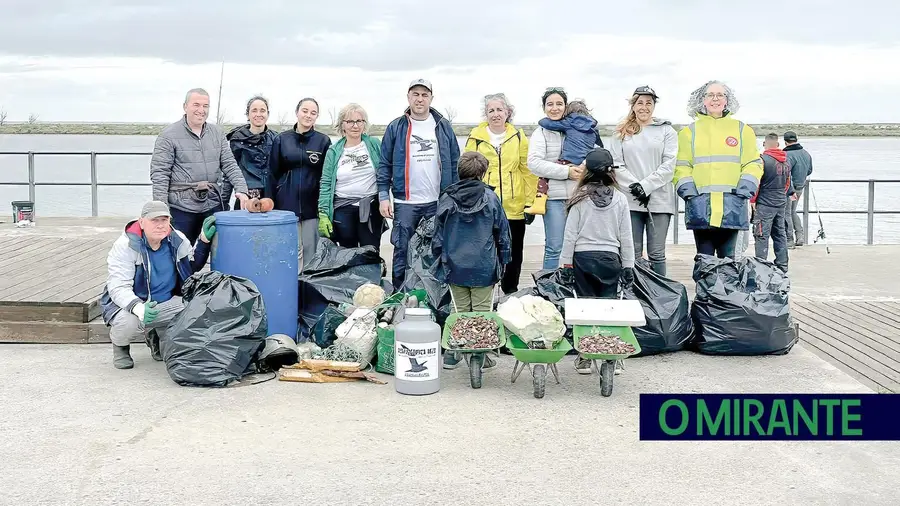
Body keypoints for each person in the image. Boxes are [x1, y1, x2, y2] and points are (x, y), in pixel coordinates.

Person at [99, 201, 216, 369]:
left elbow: (191, 266)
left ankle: (156, 336)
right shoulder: (125, 246)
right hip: (133, 306)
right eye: (154, 220)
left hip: (166, 302)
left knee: (196, 308)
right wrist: (139, 308)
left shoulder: (178, 239)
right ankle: (121, 347)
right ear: (141, 222)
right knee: (128, 323)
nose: (160, 225)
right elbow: (118, 287)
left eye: (164, 220)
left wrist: (203, 240)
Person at [377, 79, 460, 290]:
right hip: (405, 202)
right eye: (415, 94)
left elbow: (455, 162)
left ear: (431, 98)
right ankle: (399, 294)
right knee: (402, 250)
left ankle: (432, 296)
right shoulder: (396, 127)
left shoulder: (443, 126)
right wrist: (383, 196)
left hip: (436, 201)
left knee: (435, 250)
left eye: (424, 94)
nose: (420, 99)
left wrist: (453, 198)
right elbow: (384, 164)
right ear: (408, 97)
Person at [433, 151, 511, 370]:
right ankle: (479, 355)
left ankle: (453, 353)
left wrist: (439, 258)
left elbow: (437, 235)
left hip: (455, 264)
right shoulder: (491, 198)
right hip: (484, 265)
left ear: (459, 171)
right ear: (483, 173)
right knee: (482, 313)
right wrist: (504, 259)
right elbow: (503, 233)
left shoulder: (447, 198)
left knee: (459, 310)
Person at [559, 148, 634, 374]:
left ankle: (584, 356)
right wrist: (629, 264)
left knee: (585, 306)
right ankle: (612, 354)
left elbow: (570, 234)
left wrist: (565, 264)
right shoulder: (620, 199)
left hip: (583, 257)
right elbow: (626, 236)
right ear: (611, 172)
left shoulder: (579, 197)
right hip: (610, 258)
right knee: (609, 307)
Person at [673, 80, 763, 258]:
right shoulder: (688, 133)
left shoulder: (742, 130)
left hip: (732, 204)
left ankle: (727, 287)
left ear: (727, 100)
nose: (715, 99)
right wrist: (689, 193)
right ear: (702, 100)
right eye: (710, 95)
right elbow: (681, 166)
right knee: (704, 257)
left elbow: (753, 163)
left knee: (728, 259)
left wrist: (744, 189)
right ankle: (705, 287)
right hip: (700, 205)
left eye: (720, 95)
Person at [150, 88, 250, 245]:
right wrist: (161, 211)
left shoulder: (217, 133)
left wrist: (241, 190)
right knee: (179, 254)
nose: (201, 110)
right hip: (181, 207)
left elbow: (230, 164)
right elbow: (160, 174)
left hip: (212, 203)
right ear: (185, 106)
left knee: (221, 249)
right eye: (196, 105)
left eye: (205, 106)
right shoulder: (168, 136)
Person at [463, 93, 537, 294]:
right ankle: (484, 293)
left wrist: (530, 203)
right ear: (485, 114)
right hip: (484, 207)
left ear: (508, 112)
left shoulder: (519, 136)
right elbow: (468, 173)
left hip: (514, 207)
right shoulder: (475, 138)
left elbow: (527, 170)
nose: (495, 114)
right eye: (491, 110)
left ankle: (510, 292)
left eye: (499, 110)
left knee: (514, 253)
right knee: (484, 252)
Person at [609, 86, 677, 276]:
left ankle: (661, 296)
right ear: (633, 105)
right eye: (640, 103)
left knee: (657, 253)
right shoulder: (621, 132)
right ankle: (636, 293)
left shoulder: (667, 131)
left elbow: (668, 165)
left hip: (659, 200)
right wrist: (635, 188)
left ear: (654, 105)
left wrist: (646, 187)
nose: (644, 107)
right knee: (633, 252)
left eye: (649, 103)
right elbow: (616, 164)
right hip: (630, 201)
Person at [527, 88, 593, 271]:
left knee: (580, 246)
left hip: (579, 196)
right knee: (555, 247)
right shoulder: (540, 133)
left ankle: (574, 287)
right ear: (544, 108)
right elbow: (534, 163)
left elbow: (594, 151)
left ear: (565, 106)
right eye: (550, 104)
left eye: (559, 104)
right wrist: (566, 172)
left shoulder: (579, 128)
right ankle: (548, 287)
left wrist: (584, 166)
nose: (554, 108)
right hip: (554, 198)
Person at [270, 97, 332, 269]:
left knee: (312, 253)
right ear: (297, 112)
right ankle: (291, 291)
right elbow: (272, 174)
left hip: (312, 208)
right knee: (290, 252)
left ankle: (309, 292)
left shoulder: (323, 141)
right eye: (305, 111)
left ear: (317, 116)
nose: (308, 115)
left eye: (313, 113)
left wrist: (325, 208)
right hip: (286, 206)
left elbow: (328, 177)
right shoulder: (282, 139)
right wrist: (270, 201)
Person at [318, 103, 384, 251]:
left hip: (370, 208)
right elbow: (326, 183)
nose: (355, 125)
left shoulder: (374, 145)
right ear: (342, 125)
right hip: (343, 209)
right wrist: (323, 213)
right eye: (350, 121)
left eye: (359, 121)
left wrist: (386, 199)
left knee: (370, 252)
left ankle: (373, 274)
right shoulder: (333, 151)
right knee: (347, 253)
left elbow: (385, 173)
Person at [225, 95, 279, 209]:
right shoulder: (237, 140)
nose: (258, 114)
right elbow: (228, 172)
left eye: (262, 110)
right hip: (246, 198)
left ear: (268, 114)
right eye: (254, 110)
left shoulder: (276, 139)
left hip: (271, 199)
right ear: (248, 115)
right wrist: (223, 203)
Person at [751, 133, 793, 272]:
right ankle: (782, 265)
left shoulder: (762, 160)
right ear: (778, 145)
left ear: (764, 144)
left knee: (761, 235)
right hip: (781, 202)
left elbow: (756, 182)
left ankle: (761, 266)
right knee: (780, 234)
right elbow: (787, 184)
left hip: (765, 203)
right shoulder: (786, 161)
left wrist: (752, 200)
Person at [537, 100, 602, 165]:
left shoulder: (570, 122)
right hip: (585, 163)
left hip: (568, 161)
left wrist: (558, 119)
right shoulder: (593, 126)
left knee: (548, 170)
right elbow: (600, 145)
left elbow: (545, 123)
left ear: (568, 111)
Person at [783, 131, 814, 246]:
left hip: (788, 189)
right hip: (800, 187)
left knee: (787, 213)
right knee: (792, 211)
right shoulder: (806, 153)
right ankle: (800, 236)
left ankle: (789, 239)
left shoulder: (786, 155)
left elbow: (784, 172)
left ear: (785, 142)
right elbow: (810, 170)